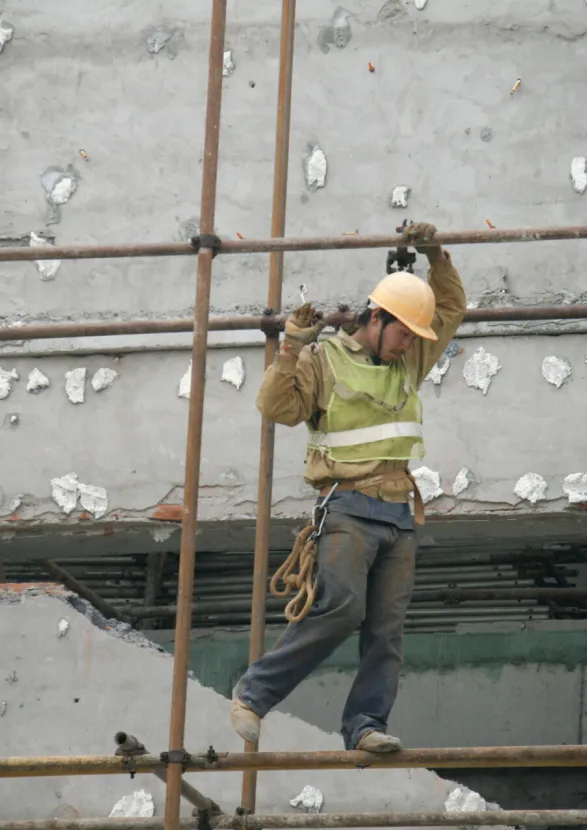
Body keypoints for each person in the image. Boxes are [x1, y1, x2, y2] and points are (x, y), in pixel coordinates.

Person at [229, 222, 465, 753]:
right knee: (341, 609)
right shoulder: (324, 361)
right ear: (376, 319)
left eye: (414, 336)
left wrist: (435, 254)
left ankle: (365, 726)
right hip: (348, 510)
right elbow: (276, 408)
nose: (409, 343)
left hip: (398, 516)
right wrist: (291, 347)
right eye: (403, 332)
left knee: (387, 630)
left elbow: (451, 307)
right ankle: (253, 696)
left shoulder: (408, 361)